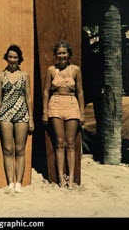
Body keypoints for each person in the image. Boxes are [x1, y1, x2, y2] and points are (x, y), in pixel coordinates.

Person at [42, 41, 85, 188]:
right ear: (55, 55)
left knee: (71, 142)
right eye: (59, 53)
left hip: (72, 104)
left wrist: (83, 113)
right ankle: (61, 177)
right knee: (60, 142)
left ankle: (71, 177)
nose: (62, 56)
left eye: (64, 53)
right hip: (55, 104)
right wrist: (44, 111)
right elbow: (46, 91)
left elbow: (80, 91)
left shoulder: (75, 70)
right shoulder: (51, 70)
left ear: (69, 54)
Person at [0, 44, 33, 193]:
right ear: (6, 58)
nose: (12, 60)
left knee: (20, 149)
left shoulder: (24, 76)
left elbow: (28, 97)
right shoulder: (1, 76)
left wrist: (31, 118)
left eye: (15, 57)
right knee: (8, 149)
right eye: (10, 57)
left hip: (22, 112)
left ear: (19, 58)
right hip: (5, 114)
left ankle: (19, 183)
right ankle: (10, 181)